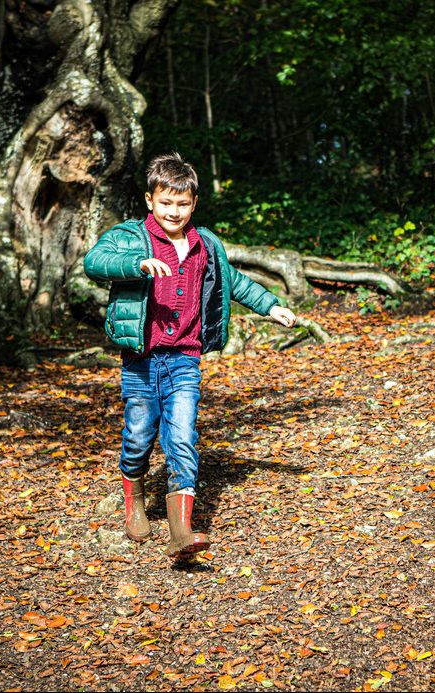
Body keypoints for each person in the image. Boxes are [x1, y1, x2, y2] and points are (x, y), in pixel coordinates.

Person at [83, 152, 296, 559]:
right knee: (138, 437)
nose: (173, 211)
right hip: (141, 360)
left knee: (182, 436)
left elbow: (234, 281)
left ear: (194, 204)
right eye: (166, 203)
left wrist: (270, 305)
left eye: (182, 204)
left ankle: (181, 530)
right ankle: (135, 504)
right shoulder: (130, 236)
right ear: (150, 200)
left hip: (184, 358)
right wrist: (136, 264)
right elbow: (95, 262)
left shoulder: (204, 245)